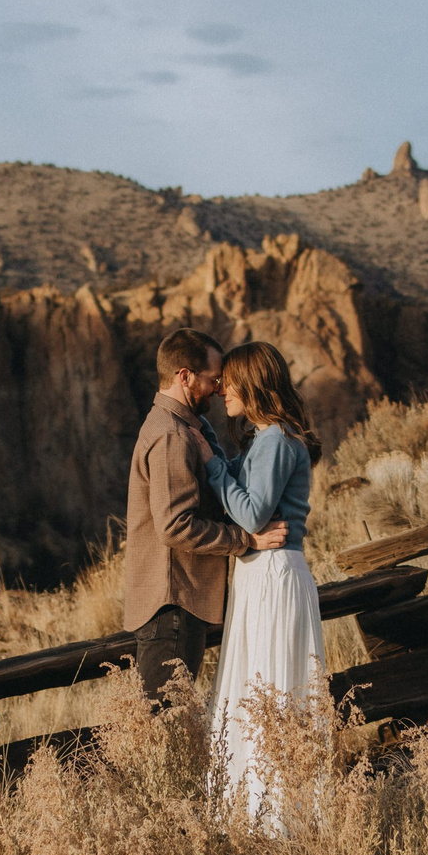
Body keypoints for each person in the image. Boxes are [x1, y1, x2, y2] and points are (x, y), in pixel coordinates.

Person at [121, 328, 288, 701]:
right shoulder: (171, 435)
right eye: (213, 379)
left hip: (175, 599)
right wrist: (246, 540)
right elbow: (175, 526)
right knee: (161, 724)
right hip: (173, 600)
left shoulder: (184, 427)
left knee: (163, 721)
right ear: (184, 376)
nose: (217, 388)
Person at [202, 340, 325, 820]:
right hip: (263, 575)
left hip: (273, 573)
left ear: (252, 382)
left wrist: (213, 466)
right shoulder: (263, 438)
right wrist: (214, 449)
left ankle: (272, 819)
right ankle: (259, 812)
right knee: (262, 684)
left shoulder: (275, 438)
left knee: (269, 684)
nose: (222, 389)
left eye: (230, 380)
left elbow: (252, 514)